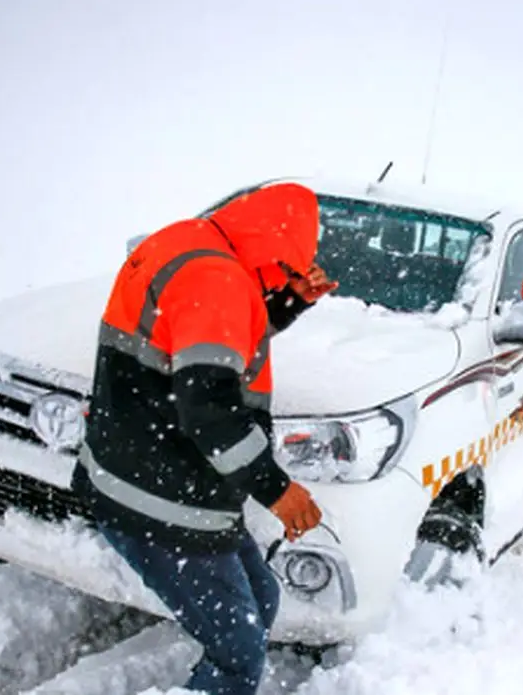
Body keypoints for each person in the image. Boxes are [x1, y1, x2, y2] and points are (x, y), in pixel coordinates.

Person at [71, 181, 338, 695]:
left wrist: (283, 302)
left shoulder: (187, 244)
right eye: (285, 267)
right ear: (273, 243)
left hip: (163, 474)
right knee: (238, 649)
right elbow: (211, 411)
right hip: (160, 498)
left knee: (261, 601)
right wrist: (277, 490)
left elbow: (203, 339)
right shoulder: (217, 279)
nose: (281, 277)